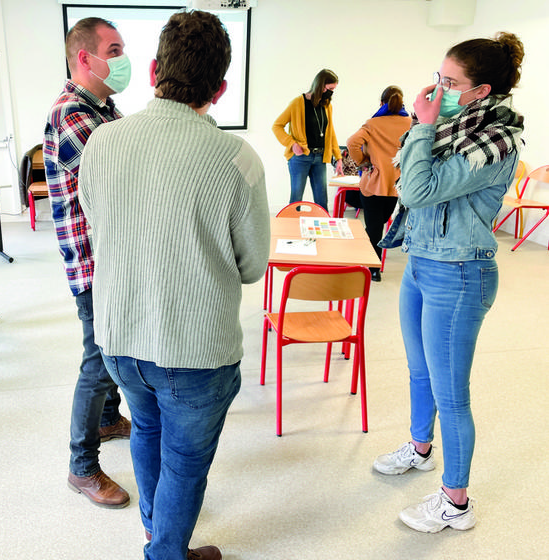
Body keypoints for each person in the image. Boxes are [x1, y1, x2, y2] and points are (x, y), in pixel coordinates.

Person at [79, 10, 270, 560]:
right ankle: (165, 550)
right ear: (221, 88)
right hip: (195, 349)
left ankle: (154, 525)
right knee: (185, 460)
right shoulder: (237, 159)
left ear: (155, 69)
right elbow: (253, 263)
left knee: (146, 429)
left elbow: (98, 222)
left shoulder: (104, 143)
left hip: (119, 336)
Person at [374, 32, 525, 533]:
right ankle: (420, 449)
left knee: (451, 394)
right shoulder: (456, 125)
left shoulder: (495, 141)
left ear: (480, 90)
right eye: (439, 75)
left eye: (451, 82)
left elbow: (416, 189)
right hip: (421, 261)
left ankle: (455, 503)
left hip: (460, 274)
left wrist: (422, 124)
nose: (438, 88)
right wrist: (429, 127)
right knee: (420, 372)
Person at [43, 17, 132, 509]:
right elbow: (119, 183)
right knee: (97, 362)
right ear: (85, 57)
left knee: (110, 345)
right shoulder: (71, 116)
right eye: (113, 49)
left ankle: (105, 418)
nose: (121, 59)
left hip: (112, 256)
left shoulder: (102, 107)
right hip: (93, 262)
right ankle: (82, 467)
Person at [347, 86, 412, 282]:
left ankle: (372, 268)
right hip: (395, 184)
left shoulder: (373, 123)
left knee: (374, 226)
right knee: (381, 222)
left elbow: (352, 143)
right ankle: (370, 261)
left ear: (382, 103)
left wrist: (363, 161)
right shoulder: (410, 123)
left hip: (373, 182)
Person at [272, 68, 342, 210]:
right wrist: (292, 144)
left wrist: (338, 158)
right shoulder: (297, 103)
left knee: (322, 200)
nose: (332, 92)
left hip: (320, 157)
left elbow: (330, 133)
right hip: (300, 158)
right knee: (296, 199)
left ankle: (323, 231)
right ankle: (292, 229)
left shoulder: (327, 105)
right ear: (321, 86)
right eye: (330, 88)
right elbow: (277, 126)